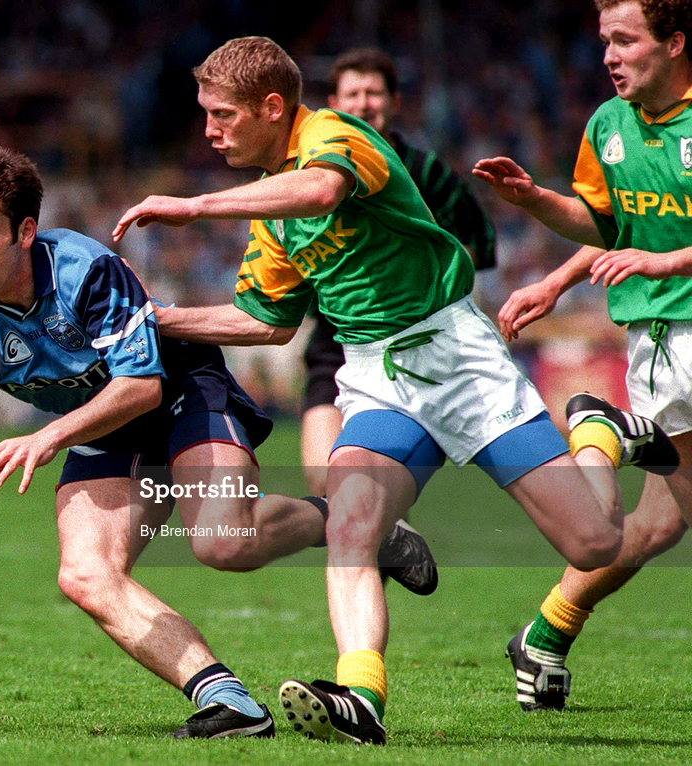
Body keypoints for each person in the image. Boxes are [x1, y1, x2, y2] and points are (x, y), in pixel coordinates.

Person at [113, 35, 677, 745]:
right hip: (377, 375)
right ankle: (361, 698)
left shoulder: (338, 136)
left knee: (594, 544)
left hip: (458, 361)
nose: (209, 130)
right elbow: (264, 321)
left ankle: (596, 434)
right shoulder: (270, 214)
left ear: (273, 106)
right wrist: (157, 321)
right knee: (351, 520)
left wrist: (192, 207)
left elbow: (321, 188)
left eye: (222, 114)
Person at [0, 146, 433, 739]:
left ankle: (352, 525)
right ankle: (227, 700)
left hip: (179, 389)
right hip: (102, 423)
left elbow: (140, 388)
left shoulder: (85, 271)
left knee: (223, 542)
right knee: (84, 572)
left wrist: (49, 435)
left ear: (25, 232)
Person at [475, 0, 692, 712]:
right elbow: (603, 223)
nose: (608, 55)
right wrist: (538, 207)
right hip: (671, 336)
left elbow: (643, 246)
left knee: (661, 522)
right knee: (664, 517)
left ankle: (544, 635)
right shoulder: (608, 125)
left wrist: (664, 262)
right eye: (605, 41)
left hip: (671, 320)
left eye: (624, 41)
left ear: (675, 44)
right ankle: (620, 432)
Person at [300, 47, 497, 505]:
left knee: (364, 489)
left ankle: (378, 528)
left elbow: (476, 243)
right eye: (352, 93)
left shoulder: (426, 171)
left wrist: (423, 277)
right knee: (318, 479)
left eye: (374, 92)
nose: (363, 103)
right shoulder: (308, 172)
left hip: (418, 339)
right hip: (335, 340)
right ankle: (388, 534)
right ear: (332, 103)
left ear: (395, 103)